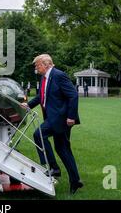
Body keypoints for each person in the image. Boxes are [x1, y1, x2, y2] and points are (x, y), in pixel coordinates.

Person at [22, 54, 83, 194]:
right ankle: (75, 181)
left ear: (46, 64)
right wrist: (28, 105)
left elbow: (73, 95)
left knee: (38, 134)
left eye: (37, 65)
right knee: (63, 150)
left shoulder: (58, 75)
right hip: (54, 118)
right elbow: (41, 96)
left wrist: (71, 117)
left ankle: (53, 168)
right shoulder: (45, 78)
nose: (36, 68)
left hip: (61, 118)